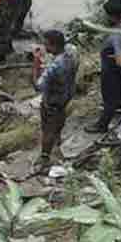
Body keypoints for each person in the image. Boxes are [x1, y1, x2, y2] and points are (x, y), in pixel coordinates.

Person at [85, 4, 121, 134]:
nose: (105, 18)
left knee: (110, 97)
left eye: (107, 16)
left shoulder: (117, 35)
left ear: (113, 17)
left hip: (112, 67)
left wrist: (116, 61)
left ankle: (102, 125)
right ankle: (117, 108)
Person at [32, 30, 79, 168]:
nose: (44, 47)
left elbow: (37, 86)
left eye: (46, 44)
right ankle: (57, 140)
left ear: (53, 46)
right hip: (67, 93)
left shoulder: (55, 67)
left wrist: (36, 61)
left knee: (47, 129)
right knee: (60, 118)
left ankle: (45, 156)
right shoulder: (72, 51)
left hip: (52, 100)